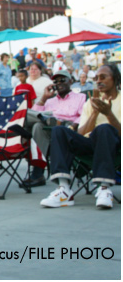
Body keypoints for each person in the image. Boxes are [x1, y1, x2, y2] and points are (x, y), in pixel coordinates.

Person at [40, 64, 120, 209]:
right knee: (59, 131)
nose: (99, 81)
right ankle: (64, 190)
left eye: (103, 77)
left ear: (115, 79)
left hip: (114, 146)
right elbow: (81, 133)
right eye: (96, 78)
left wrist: (109, 114)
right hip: (90, 144)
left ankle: (104, 189)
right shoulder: (91, 102)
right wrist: (95, 112)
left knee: (104, 129)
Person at [23, 70, 86, 188]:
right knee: (32, 119)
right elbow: (35, 114)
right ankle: (46, 120)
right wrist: (44, 97)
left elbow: (83, 116)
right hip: (49, 126)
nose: (59, 83)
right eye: (56, 81)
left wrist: (73, 126)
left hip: (67, 128)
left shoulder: (80, 97)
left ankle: (38, 172)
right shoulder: (50, 100)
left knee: (34, 123)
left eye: (62, 80)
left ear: (71, 81)